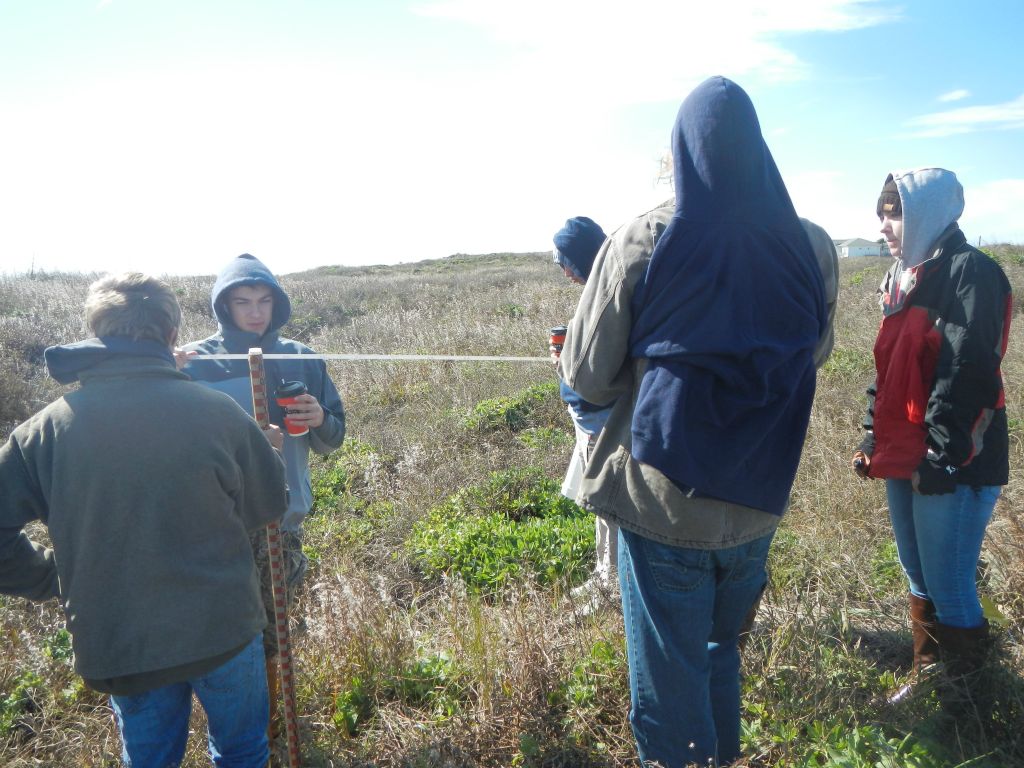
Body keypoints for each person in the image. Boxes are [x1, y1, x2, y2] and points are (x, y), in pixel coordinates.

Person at [559, 76, 837, 766]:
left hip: (663, 504)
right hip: (759, 499)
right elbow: (817, 353)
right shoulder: (812, 246)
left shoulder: (641, 241)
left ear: (677, 152)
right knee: (719, 653)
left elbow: (586, 374)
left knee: (668, 680)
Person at [0, 273, 288, 767]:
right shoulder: (218, 414)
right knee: (242, 752)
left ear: (96, 331)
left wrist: (53, 577)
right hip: (224, 627)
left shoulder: (42, 432)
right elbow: (267, 506)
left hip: (121, 641)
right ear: (173, 334)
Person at [851, 169, 1011, 707]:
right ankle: (929, 680)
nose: (884, 226)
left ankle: (966, 708)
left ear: (929, 212)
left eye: (895, 213)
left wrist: (940, 456)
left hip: (956, 458)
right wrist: (874, 436)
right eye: (882, 214)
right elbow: (890, 371)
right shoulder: (905, 278)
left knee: (949, 582)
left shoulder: (973, 273)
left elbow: (967, 373)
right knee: (918, 573)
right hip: (907, 454)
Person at [181, 253, 346, 725]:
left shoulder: (302, 356)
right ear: (224, 307)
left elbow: (334, 438)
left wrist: (321, 420)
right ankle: (238, 727)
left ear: (278, 304)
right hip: (217, 525)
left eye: (264, 301)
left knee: (275, 633)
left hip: (284, 518)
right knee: (225, 636)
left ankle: (269, 725)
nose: (255, 312)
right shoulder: (197, 362)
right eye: (243, 302)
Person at [551, 216, 619, 606]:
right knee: (599, 502)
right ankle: (603, 575)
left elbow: (601, 368)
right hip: (590, 419)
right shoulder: (600, 288)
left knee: (608, 502)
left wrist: (566, 361)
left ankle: (610, 587)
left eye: (566, 262)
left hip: (601, 420)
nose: (564, 272)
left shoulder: (610, 294)